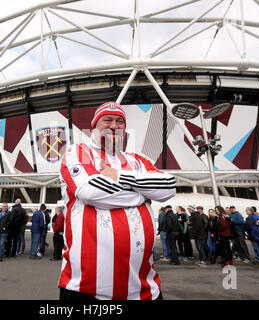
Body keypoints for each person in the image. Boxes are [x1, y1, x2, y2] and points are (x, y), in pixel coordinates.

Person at [58, 101, 176, 300]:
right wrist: (142, 194)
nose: (114, 125)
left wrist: (119, 176)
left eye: (119, 121)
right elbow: (90, 191)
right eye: (107, 120)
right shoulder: (78, 152)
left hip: (144, 290)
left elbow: (168, 187)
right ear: (94, 126)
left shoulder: (139, 160)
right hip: (86, 290)